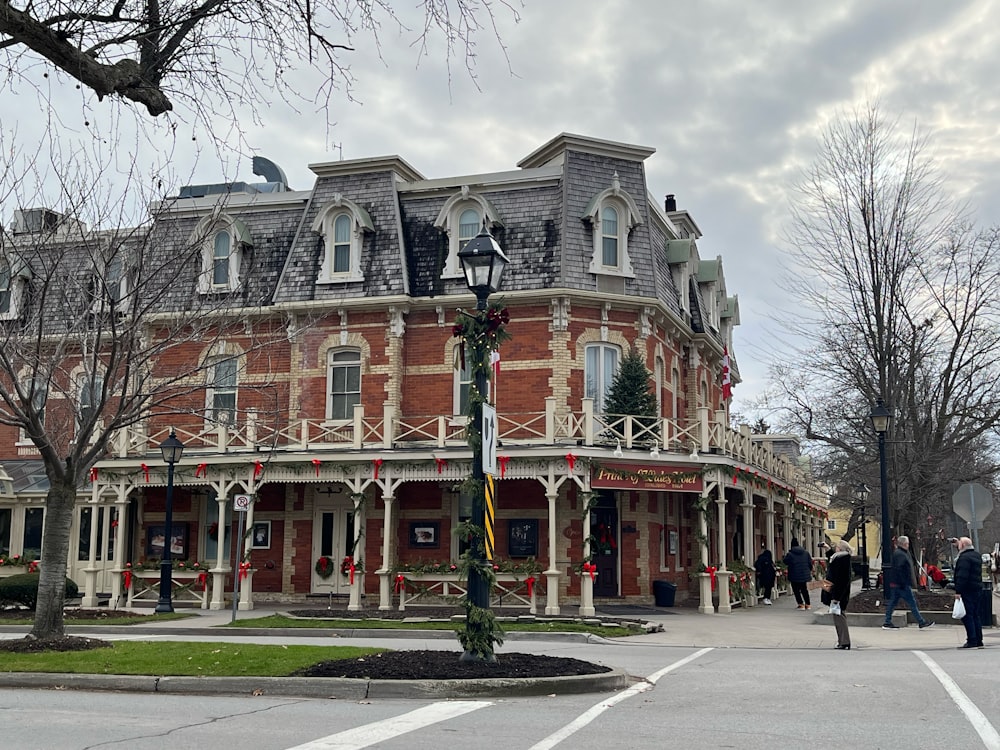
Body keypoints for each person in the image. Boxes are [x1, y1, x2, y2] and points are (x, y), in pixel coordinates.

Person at [882, 535, 934, 630]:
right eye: (907, 543)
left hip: (897, 583)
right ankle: (921, 622)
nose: (908, 545)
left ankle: (887, 622)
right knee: (912, 603)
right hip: (902, 584)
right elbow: (900, 570)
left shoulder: (899, 553)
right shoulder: (901, 554)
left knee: (893, 602)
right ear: (903, 544)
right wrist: (904, 582)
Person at [952, 536, 984, 649]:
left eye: (960, 543)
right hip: (977, 588)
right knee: (976, 615)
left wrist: (958, 591)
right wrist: (958, 546)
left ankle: (971, 639)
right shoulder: (976, 556)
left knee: (967, 615)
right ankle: (979, 639)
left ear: (963, 545)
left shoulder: (964, 559)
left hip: (967, 590)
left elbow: (962, 576)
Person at [822, 539, 853, 650]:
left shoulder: (842, 560)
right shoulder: (839, 558)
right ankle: (842, 640)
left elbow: (842, 580)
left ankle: (844, 641)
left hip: (839, 595)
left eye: (837, 546)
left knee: (839, 617)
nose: (835, 548)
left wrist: (836, 598)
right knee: (838, 617)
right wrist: (827, 549)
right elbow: (832, 559)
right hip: (838, 594)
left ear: (840, 549)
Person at [783, 538, 813, 610]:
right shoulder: (806, 553)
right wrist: (809, 570)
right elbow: (810, 563)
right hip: (804, 574)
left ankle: (801, 604)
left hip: (794, 574)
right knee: (804, 590)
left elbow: (785, 562)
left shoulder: (790, 554)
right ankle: (808, 604)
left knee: (796, 590)